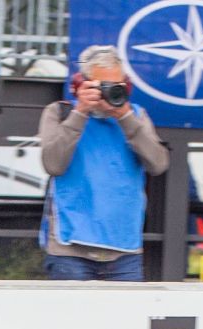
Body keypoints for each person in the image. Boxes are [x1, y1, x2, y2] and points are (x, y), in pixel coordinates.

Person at [38, 44, 169, 281]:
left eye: (118, 86)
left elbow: (158, 164)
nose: (110, 93)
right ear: (81, 85)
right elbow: (53, 165)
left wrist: (125, 117)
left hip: (124, 249)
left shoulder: (136, 115)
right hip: (70, 247)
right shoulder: (59, 113)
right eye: (103, 87)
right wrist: (80, 113)